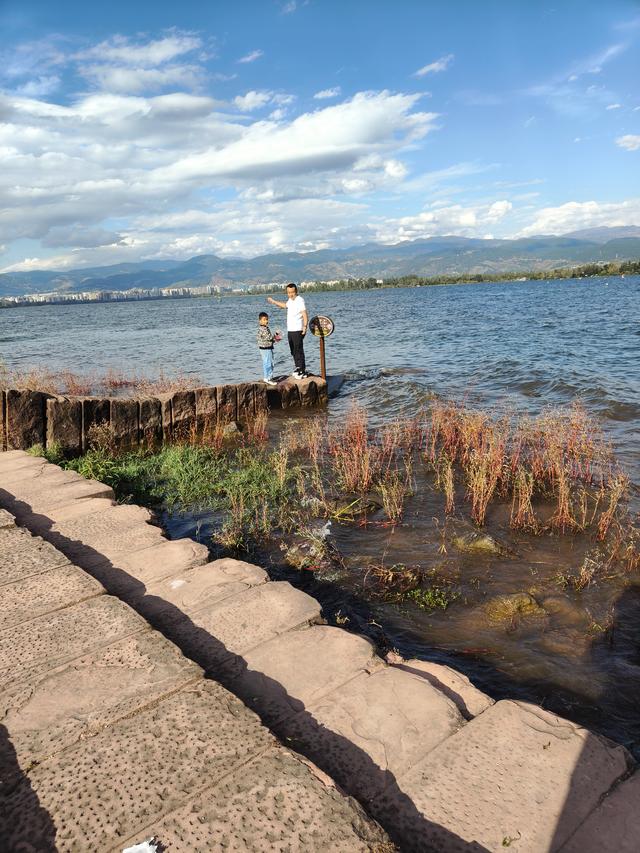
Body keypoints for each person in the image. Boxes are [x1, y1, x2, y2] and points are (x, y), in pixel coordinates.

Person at [267, 283, 308, 379]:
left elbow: (305, 314)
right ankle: (298, 368)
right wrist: (274, 302)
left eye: (292, 292)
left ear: (296, 291)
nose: (290, 294)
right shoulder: (290, 300)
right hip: (290, 329)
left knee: (298, 350)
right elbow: (285, 305)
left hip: (298, 329)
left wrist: (305, 327)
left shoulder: (300, 300)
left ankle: (302, 370)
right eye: (288, 292)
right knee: (293, 350)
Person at [256, 311, 280, 386]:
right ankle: (268, 378)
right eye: (264, 319)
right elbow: (269, 338)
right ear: (260, 321)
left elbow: (267, 339)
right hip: (266, 348)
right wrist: (276, 336)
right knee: (269, 363)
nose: (266, 321)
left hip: (263, 348)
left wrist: (274, 339)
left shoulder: (263, 328)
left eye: (267, 319)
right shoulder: (263, 329)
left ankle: (267, 377)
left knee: (266, 362)